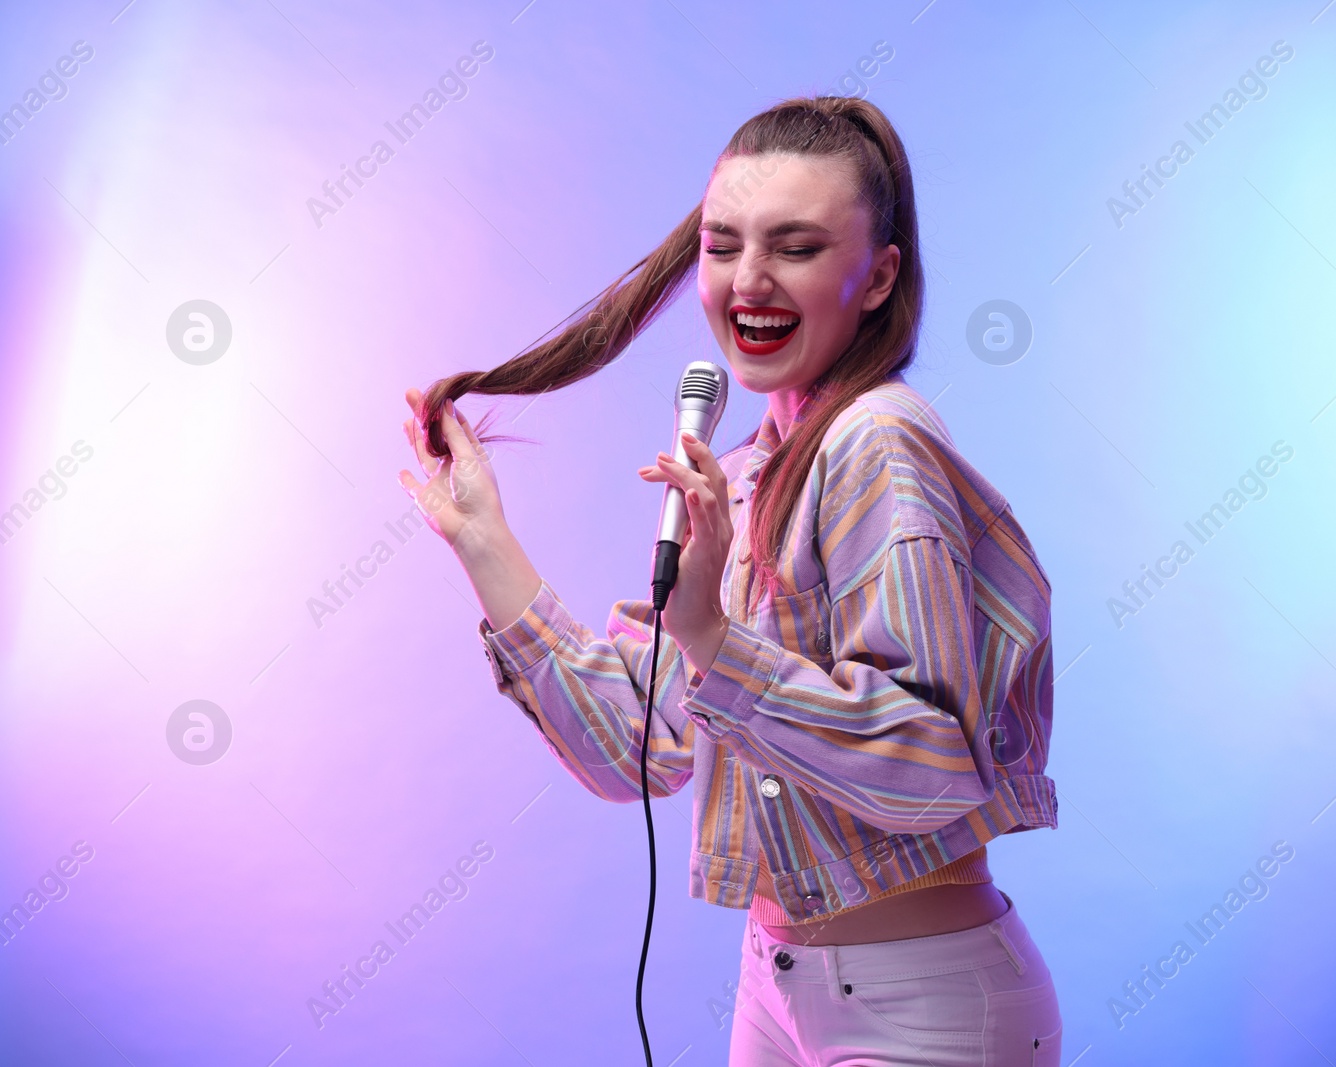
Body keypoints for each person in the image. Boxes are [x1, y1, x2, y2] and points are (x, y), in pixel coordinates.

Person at [398, 95, 1061, 1065]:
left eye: (794, 246)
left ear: (877, 277)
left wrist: (712, 633)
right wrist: (483, 539)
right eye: (722, 245)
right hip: (776, 984)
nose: (747, 281)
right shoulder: (746, 470)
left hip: (920, 1008)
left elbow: (929, 762)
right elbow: (638, 749)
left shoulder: (878, 441)